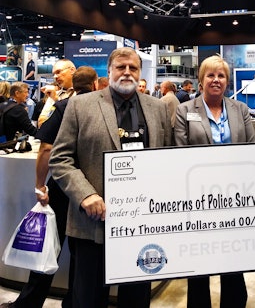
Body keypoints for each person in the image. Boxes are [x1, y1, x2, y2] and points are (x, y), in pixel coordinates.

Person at [49, 47, 172, 308]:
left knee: (137, 300)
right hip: (92, 225)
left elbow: (168, 159)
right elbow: (60, 159)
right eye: (121, 67)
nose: (127, 72)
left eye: (133, 68)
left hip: (141, 228)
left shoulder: (157, 108)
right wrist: (86, 194)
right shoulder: (80, 105)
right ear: (109, 71)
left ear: (140, 73)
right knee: (89, 300)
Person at [0, 66, 98, 308]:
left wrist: (39, 185)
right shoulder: (101, 107)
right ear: (96, 84)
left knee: (49, 245)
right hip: (94, 189)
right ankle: (73, 302)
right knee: (81, 252)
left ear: (73, 76)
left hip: (64, 186)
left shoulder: (65, 106)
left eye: (59, 72)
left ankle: (29, 302)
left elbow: (46, 147)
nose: (55, 76)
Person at [174, 55, 255, 308]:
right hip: (198, 200)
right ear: (201, 81)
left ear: (227, 82)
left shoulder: (240, 109)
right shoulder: (184, 110)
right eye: (210, 75)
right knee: (199, 272)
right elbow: (180, 153)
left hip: (235, 199)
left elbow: (251, 150)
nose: (216, 80)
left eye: (221, 76)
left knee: (234, 267)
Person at [37, 59, 76, 127]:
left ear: (72, 70)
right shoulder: (54, 94)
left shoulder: (83, 93)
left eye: (58, 72)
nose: (55, 76)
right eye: (54, 74)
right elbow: (41, 123)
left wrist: (56, 101)